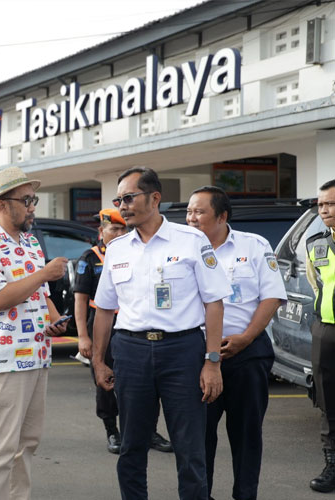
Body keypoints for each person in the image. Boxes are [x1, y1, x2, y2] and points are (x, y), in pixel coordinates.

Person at [91, 167, 231, 500]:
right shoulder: (118, 249)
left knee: (189, 447)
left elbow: (214, 304)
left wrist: (212, 362)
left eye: (129, 198)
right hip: (131, 352)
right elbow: (104, 311)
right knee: (132, 447)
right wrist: (98, 360)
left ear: (155, 198)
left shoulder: (192, 240)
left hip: (182, 351)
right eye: (118, 199)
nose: (122, 206)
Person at [0, 166, 70, 500]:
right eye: (26, 200)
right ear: (1, 203)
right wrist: (43, 274)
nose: (32, 207)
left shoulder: (28, 241)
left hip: (37, 354)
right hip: (3, 359)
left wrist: (56, 318)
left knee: (27, 444)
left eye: (33, 199)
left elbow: (39, 296)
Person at [187, 186, 286, 499]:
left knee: (246, 435)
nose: (191, 218)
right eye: (189, 212)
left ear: (222, 216)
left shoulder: (253, 245)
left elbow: (272, 296)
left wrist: (246, 338)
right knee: (198, 437)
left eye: (199, 212)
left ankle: (245, 495)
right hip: (198, 356)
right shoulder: (182, 249)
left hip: (247, 353)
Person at [74, 209, 173, 455]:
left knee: (148, 381)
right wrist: (83, 337)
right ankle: (112, 431)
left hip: (133, 324)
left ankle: (149, 431)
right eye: (113, 229)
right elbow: (80, 300)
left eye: (122, 229)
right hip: (102, 323)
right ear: (101, 232)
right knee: (107, 381)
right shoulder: (91, 257)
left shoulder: (135, 251)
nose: (119, 233)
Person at [307, 179, 335, 492]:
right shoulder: (315, 244)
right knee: (328, 401)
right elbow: (316, 285)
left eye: (331, 204)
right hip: (327, 331)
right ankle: (332, 463)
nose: (325, 210)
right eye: (321, 205)